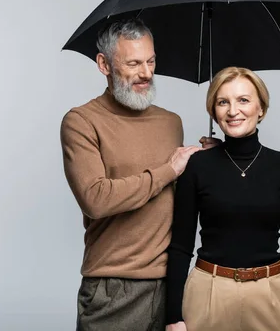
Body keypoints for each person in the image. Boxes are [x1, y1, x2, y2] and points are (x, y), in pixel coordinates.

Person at [60, 18, 217, 331]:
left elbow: (178, 195)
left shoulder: (171, 122)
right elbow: (96, 199)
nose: (146, 73)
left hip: (173, 283)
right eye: (133, 63)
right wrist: (167, 169)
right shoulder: (81, 122)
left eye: (151, 60)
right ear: (104, 64)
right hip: (113, 289)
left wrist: (212, 161)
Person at [165, 66, 280, 331]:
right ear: (214, 111)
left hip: (270, 295)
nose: (233, 111)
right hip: (207, 293)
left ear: (261, 109)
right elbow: (180, 246)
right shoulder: (197, 166)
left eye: (243, 100)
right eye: (223, 102)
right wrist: (173, 317)